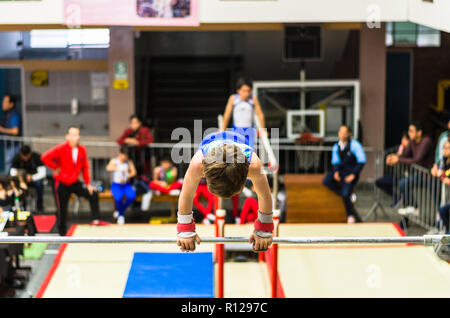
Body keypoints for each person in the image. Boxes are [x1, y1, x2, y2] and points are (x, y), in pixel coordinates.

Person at [176, 129, 273, 253]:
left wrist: (263, 231)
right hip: (214, 140)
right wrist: (185, 229)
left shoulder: (253, 165)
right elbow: (186, 195)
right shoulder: (197, 165)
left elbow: (264, 196)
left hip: (238, 141)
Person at [41, 126, 109, 236]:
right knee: (62, 209)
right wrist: (55, 167)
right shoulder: (60, 148)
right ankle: (62, 234)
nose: (76, 137)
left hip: (74, 182)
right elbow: (45, 157)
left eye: (77, 134)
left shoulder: (82, 149)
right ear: (67, 136)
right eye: (73, 135)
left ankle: (96, 220)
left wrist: (88, 184)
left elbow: (85, 168)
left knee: (93, 194)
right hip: (62, 183)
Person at [221, 78, 267, 222]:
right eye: (244, 91)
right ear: (238, 91)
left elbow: (260, 114)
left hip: (250, 131)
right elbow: (227, 114)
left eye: (248, 91)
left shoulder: (253, 99)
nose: (246, 93)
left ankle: (249, 179)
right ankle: (238, 176)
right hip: (236, 130)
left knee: (249, 156)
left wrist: (263, 130)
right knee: (236, 156)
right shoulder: (233, 99)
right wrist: (222, 130)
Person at [386, 121, 434, 222]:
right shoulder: (412, 142)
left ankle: (438, 225)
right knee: (403, 184)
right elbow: (405, 155)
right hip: (419, 174)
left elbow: (417, 159)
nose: (409, 133)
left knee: (437, 203)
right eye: (409, 131)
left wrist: (397, 159)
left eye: (411, 131)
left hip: (429, 176)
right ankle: (413, 207)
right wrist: (394, 157)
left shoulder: (426, 141)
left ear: (419, 132)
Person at [323, 125, 366, 224]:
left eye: (345, 132)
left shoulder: (354, 145)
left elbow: (361, 161)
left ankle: (350, 215)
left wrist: (353, 175)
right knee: (326, 181)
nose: (342, 134)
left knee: (346, 193)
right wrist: (336, 172)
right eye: (341, 132)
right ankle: (345, 195)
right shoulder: (336, 146)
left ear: (349, 134)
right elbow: (335, 162)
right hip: (341, 173)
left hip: (350, 174)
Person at [375, 132, 409, 205]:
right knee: (379, 182)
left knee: (405, 190)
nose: (403, 141)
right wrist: (390, 157)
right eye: (402, 138)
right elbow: (391, 154)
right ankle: (397, 196)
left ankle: (408, 203)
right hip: (396, 175)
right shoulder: (400, 148)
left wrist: (397, 158)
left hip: (404, 177)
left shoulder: (409, 150)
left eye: (405, 139)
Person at [9, 145, 46, 212]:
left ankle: (39, 206)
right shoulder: (17, 158)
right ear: (20, 154)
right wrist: (21, 178)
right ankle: (19, 206)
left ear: (30, 153)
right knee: (16, 187)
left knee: (39, 184)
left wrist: (32, 177)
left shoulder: (36, 157)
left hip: (35, 178)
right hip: (21, 179)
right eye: (23, 156)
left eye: (27, 156)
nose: (25, 158)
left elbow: (42, 173)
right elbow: (13, 172)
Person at [106, 146, 137, 225]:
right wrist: (117, 168)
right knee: (118, 198)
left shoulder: (128, 162)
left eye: (126, 156)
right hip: (116, 184)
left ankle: (120, 211)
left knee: (132, 196)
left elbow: (134, 172)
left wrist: (127, 176)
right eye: (123, 155)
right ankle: (121, 215)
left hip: (125, 184)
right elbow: (108, 168)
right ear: (120, 154)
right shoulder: (114, 161)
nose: (124, 157)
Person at [431, 141, 450, 235]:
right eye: (444, 148)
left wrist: (442, 175)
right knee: (442, 210)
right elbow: (438, 171)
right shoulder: (443, 160)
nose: (444, 150)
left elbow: (443, 174)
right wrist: (436, 170)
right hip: (444, 194)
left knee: (443, 210)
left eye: (447, 148)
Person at [0, 94, 21, 173]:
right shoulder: (7, 114)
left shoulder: (14, 115)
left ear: (11, 104)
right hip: (8, 146)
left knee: (10, 168)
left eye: (5, 102)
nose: (3, 104)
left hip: (13, 147)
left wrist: (2, 129)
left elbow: (15, 131)